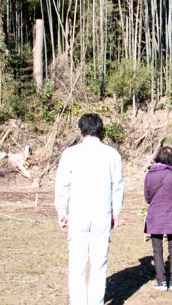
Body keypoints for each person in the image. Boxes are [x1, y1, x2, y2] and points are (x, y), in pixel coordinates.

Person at [54, 113, 124, 305]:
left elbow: (62, 185)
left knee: (77, 264)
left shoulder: (70, 154)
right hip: (102, 213)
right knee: (99, 263)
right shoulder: (112, 154)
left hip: (78, 213)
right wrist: (115, 212)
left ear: (80, 130)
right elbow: (117, 186)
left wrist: (62, 210)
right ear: (101, 131)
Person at [144, 146, 172, 292]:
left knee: (157, 249)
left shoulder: (150, 175)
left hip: (156, 214)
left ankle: (161, 281)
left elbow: (148, 197)